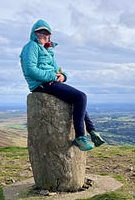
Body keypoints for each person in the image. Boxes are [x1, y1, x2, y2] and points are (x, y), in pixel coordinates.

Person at [20, 19, 105, 151]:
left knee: (77, 99)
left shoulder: (48, 50)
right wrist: (53, 76)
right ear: (34, 33)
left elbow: (58, 69)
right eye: (40, 32)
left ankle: (92, 132)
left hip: (50, 81)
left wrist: (63, 76)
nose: (44, 35)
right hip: (41, 84)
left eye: (47, 33)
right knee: (80, 96)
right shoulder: (31, 46)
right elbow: (30, 70)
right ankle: (80, 137)